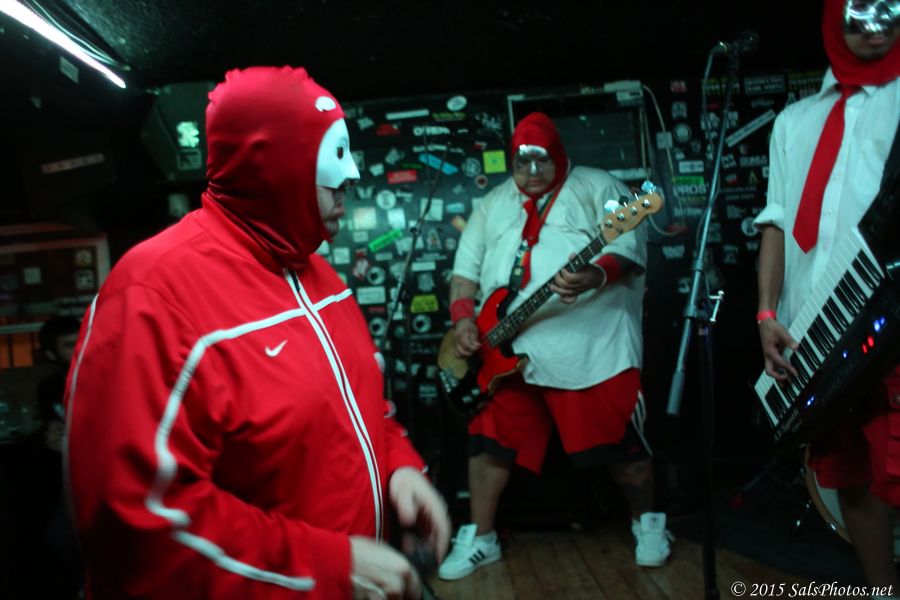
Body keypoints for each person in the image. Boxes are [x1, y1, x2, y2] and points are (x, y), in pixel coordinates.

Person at [64, 66, 449, 600]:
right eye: (334, 155)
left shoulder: (319, 278)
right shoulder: (152, 295)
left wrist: (399, 469)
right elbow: (132, 523)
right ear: (277, 166)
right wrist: (328, 566)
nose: (352, 174)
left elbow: (362, 409)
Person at [438, 112, 672, 581]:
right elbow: (464, 274)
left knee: (622, 445)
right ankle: (481, 537)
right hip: (503, 351)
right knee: (488, 442)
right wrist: (464, 320)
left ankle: (648, 524)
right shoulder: (493, 203)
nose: (531, 172)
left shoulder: (598, 186)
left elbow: (628, 249)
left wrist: (595, 274)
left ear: (559, 155)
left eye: (541, 161)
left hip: (588, 345)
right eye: (521, 163)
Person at [755, 0, 900, 594]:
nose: (873, 26)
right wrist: (767, 313)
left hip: (892, 319)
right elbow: (776, 222)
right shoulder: (793, 121)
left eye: (887, 10)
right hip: (816, 328)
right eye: (857, 12)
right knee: (850, 473)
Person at [35, 316, 84, 598]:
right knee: (59, 538)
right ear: (52, 354)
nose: (78, 347)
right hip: (73, 476)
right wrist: (51, 434)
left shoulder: (105, 372)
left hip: (111, 472)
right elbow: (51, 425)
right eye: (68, 344)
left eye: (81, 339)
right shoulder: (50, 386)